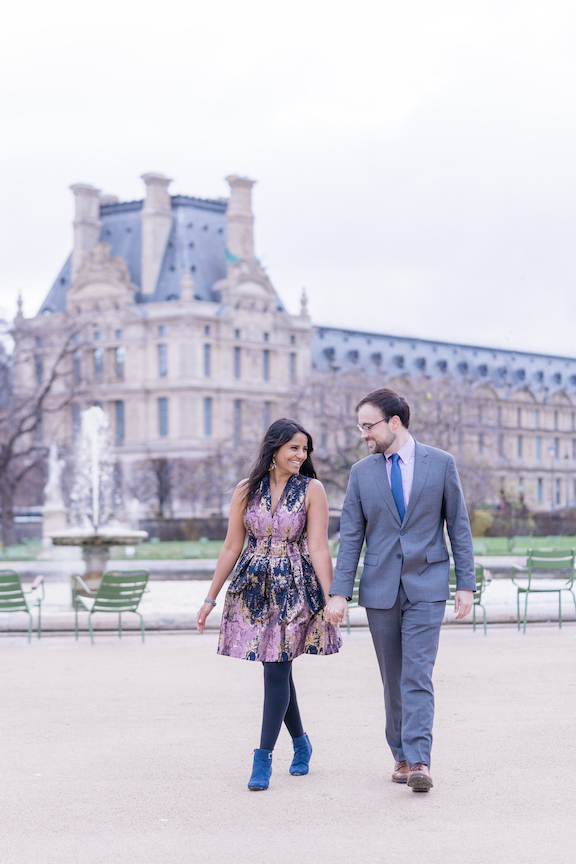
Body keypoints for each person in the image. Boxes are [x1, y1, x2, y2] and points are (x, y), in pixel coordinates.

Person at [325, 388, 475, 792]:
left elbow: (458, 526)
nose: (363, 435)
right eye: (360, 427)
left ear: (394, 422)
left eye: (368, 426)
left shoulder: (441, 464)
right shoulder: (361, 473)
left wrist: (465, 585)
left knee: (417, 673)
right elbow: (351, 536)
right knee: (393, 677)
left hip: (427, 585)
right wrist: (340, 591)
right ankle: (401, 756)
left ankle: (421, 760)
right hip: (380, 589)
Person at [196, 418, 341, 791]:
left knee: (276, 670)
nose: (301, 455)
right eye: (294, 447)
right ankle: (301, 743)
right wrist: (210, 598)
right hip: (253, 587)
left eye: (305, 449)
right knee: (277, 669)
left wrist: (333, 599)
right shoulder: (246, 490)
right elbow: (231, 545)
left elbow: (320, 547)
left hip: (294, 585)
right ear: (274, 449)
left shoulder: (313, 489)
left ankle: (262, 760)